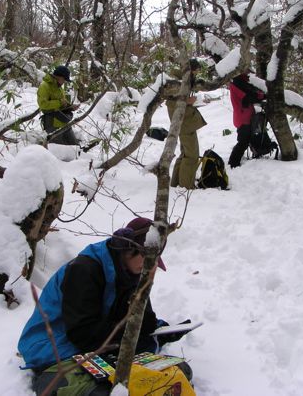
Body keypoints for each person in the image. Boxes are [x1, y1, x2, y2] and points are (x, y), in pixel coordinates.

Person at [17, 217, 191, 395]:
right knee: (103, 392)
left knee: (178, 372)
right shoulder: (85, 269)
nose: (152, 266)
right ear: (129, 249)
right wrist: (132, 331)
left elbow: (137, 317)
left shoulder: (131, 272)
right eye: (148, 259)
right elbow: (82, 333)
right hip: (57, 347)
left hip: (97, 346)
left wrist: (160, 332)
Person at [166, 59, 207, 189]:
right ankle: (186, 186)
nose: (196, 73)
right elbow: (172, 101)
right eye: (195, 71)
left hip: (184, 120)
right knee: (191, 156)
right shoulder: (177, 82)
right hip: (183, 122)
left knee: (185, 154)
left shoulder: (183, 79)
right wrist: (188, 101)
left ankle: (177, 183)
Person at [227, 71, 265, 168]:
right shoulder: (237, 83)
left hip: (245, 117)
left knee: (247, 140)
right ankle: (233, 164)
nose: (248, 74)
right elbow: (248, 97)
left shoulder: (242, 81)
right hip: (242, 118)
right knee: (243, 142)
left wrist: (261, 95)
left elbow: (252, 93)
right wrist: (262, 96)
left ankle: (236, 162)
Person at [38, 65, 79, 145]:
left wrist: (70, 107)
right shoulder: (44, 86)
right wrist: (59, 102)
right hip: (52, 124)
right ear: (58, 77)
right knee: (59, 150)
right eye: (64, 79)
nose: (64, 82)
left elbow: (62, 102)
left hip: (63, 121)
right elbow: (43, 105)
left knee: (75, 147)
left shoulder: (59, 87)